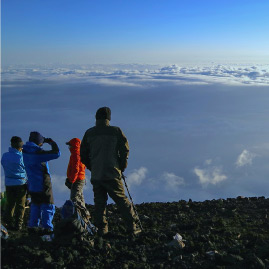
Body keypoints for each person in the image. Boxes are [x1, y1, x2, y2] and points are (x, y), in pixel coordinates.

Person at [80, 107, 141, 236]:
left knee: (99, 203)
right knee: (122, 200)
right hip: (112, 172)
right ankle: (132, 227)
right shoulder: (115, 131)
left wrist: (93, 167)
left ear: (96, 117)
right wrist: (121, 165)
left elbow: (83, 155)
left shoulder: (89, 133)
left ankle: (101, 229)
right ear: (109, 118)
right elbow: (125, 150)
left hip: (97, 174)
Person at [23, 132, 60, 234]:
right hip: (43, 183)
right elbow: (56, 153)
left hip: (32, 184)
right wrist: (52, 142)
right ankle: (47, 227)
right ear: (38, 142)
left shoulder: (24, 152)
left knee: (35, 205)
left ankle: (32, 226)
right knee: (48, 204)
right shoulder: (38, 153)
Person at [1, 136, 27, 231]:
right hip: (20, 183)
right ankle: (18, 224)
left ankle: (7, 222)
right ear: (20, 146)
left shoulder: (5, 156)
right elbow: (26, 167)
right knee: (20, 204)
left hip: (9, 183)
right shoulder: (21, 157)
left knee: (10, 203)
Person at [65, 138, 86, 206]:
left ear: (74, 146)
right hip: (80, 179)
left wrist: (71, 181)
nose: (69, 147)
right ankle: (84, 215)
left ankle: (78, 215)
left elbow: (75, 169)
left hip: (77, 179)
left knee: (75, 199)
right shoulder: (79, 154)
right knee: (79, 197)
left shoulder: (76, 155)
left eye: (70, 145)